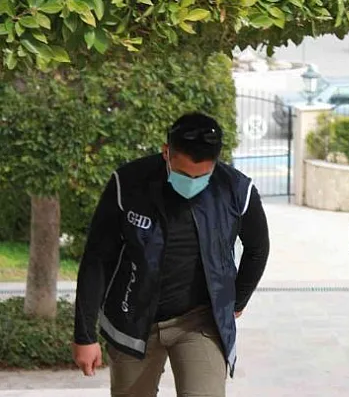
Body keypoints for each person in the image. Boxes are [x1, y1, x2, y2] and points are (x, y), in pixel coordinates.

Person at [72, 112, 270, 396]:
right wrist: (84, 336)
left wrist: (237, 300)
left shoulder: (236, 189)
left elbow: (257, 248)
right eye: (184, 175)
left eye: (202, 176)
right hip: (134, 320)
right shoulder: (128, 184)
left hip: (199, 321)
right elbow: (97, 259)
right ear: (167, 152)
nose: (193, 183)